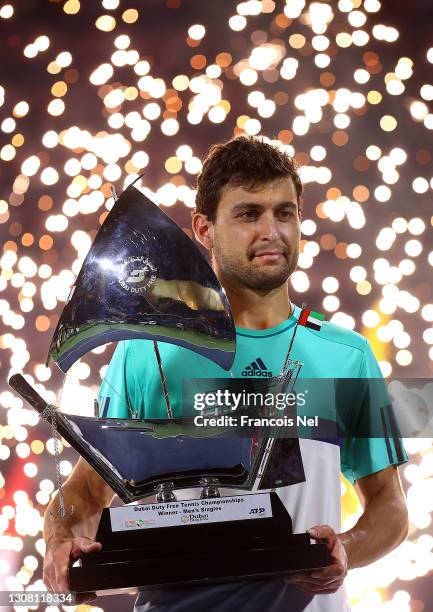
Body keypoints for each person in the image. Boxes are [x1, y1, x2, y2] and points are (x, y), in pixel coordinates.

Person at [43, 136, 409, 611]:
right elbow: (84, 493)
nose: (271, 231)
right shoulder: (143, 353)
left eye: (285, 212)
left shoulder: (348, 356)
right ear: (203, 228)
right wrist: (60, 541)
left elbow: (391, 507)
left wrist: (346, 548)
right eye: (247, 214)